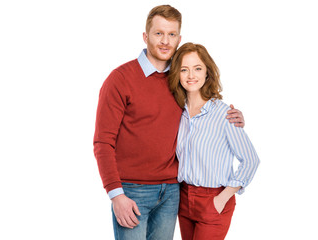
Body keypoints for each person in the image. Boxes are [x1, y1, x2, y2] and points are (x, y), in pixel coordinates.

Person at [93, 5, 245, 240]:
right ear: (145, 36)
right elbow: (103, 142)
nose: (165, 41)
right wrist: (116, 195)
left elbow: (202, 108)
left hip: (173, 191)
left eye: (172, 34)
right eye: (158, 33)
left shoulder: (181, 80)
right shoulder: (120, 79)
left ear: (179, 38)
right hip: (132, 191)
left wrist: (231, 116)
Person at [168, 42, 260, 240]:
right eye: (184, 69)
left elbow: (251, 160)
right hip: (183, 198)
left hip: (214, 199)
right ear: (177, 74)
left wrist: (222, 198)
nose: (191, 75)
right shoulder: (178, 112)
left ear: (207, 72)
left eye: (197, 68)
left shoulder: (224, 114)